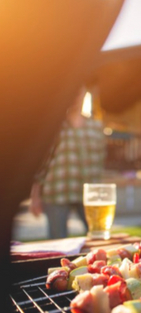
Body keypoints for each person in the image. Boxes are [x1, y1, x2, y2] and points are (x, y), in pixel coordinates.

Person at [29, 87, 106, 239]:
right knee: (57, 244)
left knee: (98, 238)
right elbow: (40, 164)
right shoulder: (52, 126)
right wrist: (35, 196)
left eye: (79, 91)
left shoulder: (96, 126)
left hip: (88, 195)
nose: (76, 96)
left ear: (84, 94)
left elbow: (100, 162)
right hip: (56, 192)